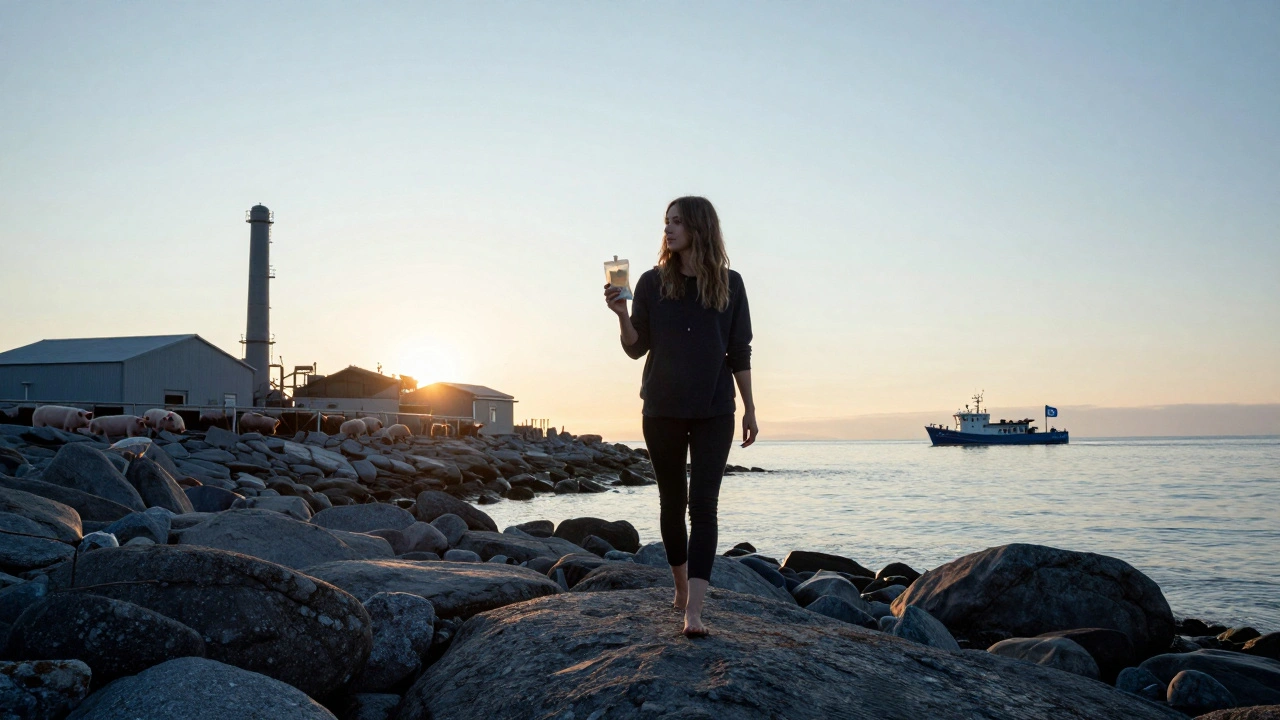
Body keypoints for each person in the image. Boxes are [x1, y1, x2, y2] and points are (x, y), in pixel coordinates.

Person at [603, 196, 757, 638]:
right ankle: (679, 590)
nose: (667, 230)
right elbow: (636, 347)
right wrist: (620, 315)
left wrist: (750, 407)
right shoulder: (652, 283)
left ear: (699, 228)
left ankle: (695, 612)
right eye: (665, 223)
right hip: (663, 409)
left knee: (703, 507)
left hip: (715, 410)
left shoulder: (732, 285)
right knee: (672, 503)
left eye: (676, 223)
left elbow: (739, 351)